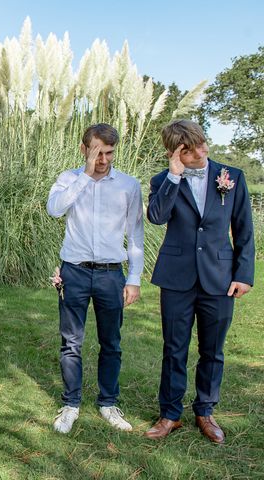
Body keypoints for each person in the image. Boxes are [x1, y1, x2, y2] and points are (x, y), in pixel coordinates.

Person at [144, 119, 255, 443]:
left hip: (219, 279)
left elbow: (245, 231)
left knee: (213, 350)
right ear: (176, 153)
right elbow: (156, 216)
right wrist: (175, 175)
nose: (203, 151)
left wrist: (243, 275)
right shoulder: (163, 180)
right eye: (193, 151)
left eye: (203, 144)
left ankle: (205, 411)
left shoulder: (232, 177)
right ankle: (170, 414)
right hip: (177, 279)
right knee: (173, 349)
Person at [46, 123, 144, 434]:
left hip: (111, 274)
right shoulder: (68, 179)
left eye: (109, 153)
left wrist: (134, 278)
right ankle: (71, 403)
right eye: (97, 152)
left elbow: (136, 234)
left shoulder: (128, 185)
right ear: (84, 149)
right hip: (73, 271)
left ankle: (108, 403)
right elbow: (54, 209)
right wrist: (85, 176)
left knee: (111, 343)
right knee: (71, 342)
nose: (103, 159)